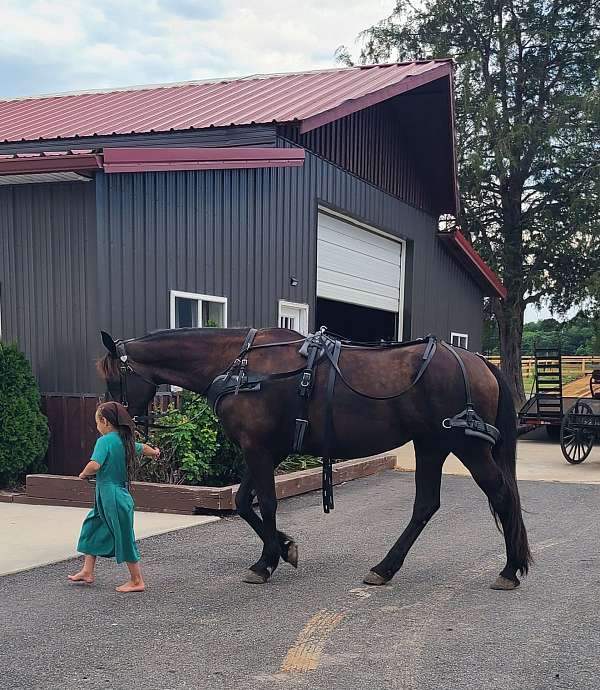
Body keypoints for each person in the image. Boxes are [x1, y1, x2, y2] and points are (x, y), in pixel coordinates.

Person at [68, 401, 160, 593]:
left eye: (97, 423)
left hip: (112, 496)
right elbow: (143, 448)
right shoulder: (125, 441)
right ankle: (87, 571)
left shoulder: (105, 441)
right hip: (112, 496)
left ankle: (137, 580)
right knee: (92, 526)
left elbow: (95, 465)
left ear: (105, 421)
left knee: (124, 536)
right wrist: (155, 453)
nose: (97, 427)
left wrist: (84, 474)